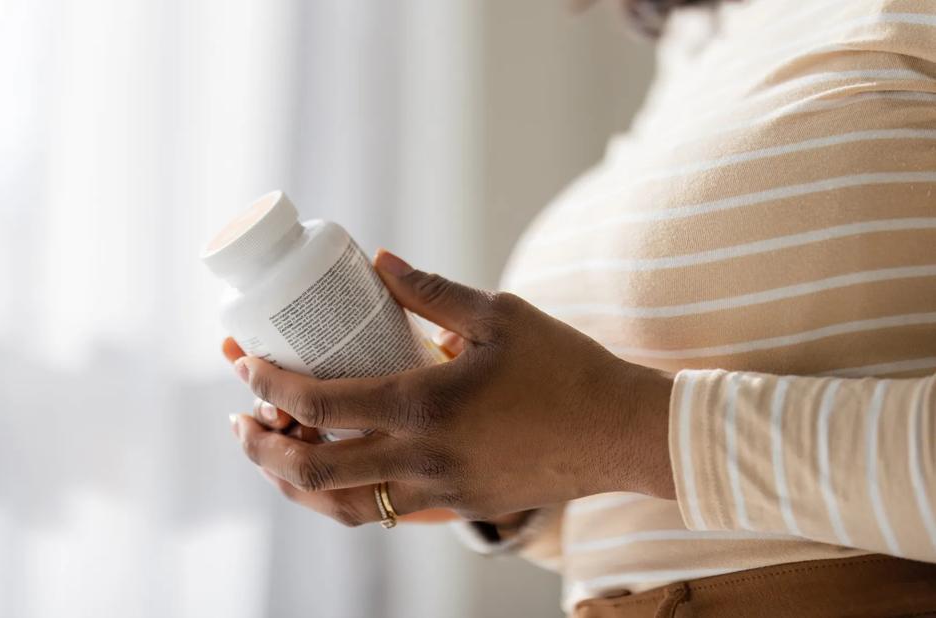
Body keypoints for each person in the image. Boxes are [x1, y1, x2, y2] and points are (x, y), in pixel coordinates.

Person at [223, 0, 936, 615]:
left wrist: (615, 429)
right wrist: (486, 479)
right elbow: (650, 480)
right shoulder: (704, 38)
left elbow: (626, 432)